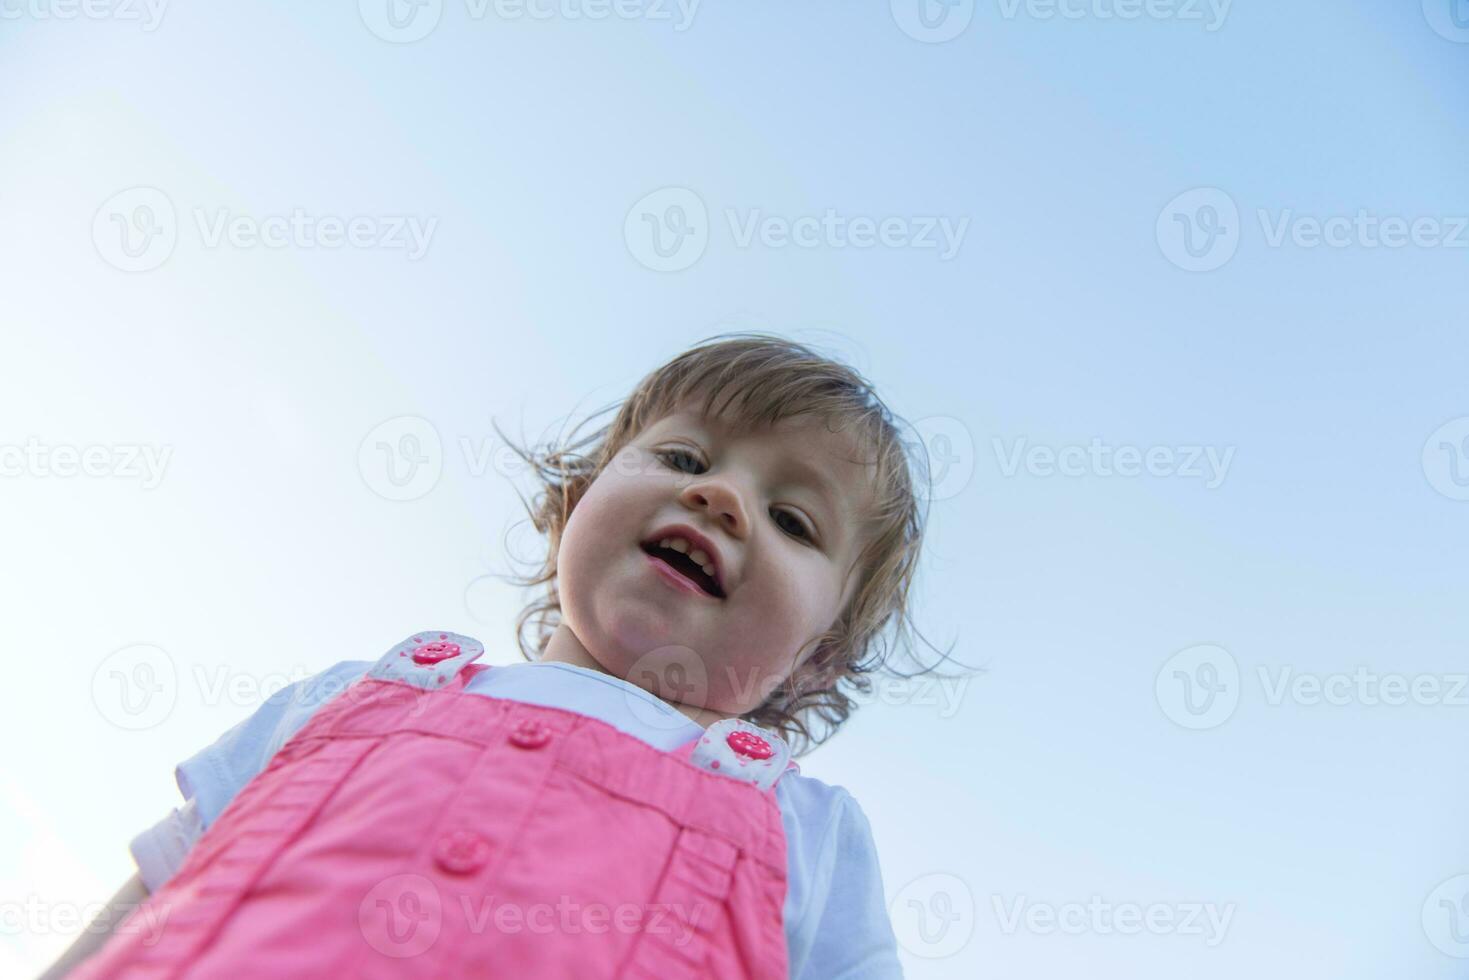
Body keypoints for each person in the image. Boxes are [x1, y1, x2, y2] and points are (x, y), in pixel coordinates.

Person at [50, 332, 941, 978]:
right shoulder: (351, 697)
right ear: (574, 504)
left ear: (818, 657)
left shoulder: (811, 836)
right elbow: (149, 903)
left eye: (792, 520)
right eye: (681, 454)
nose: (718, 497)